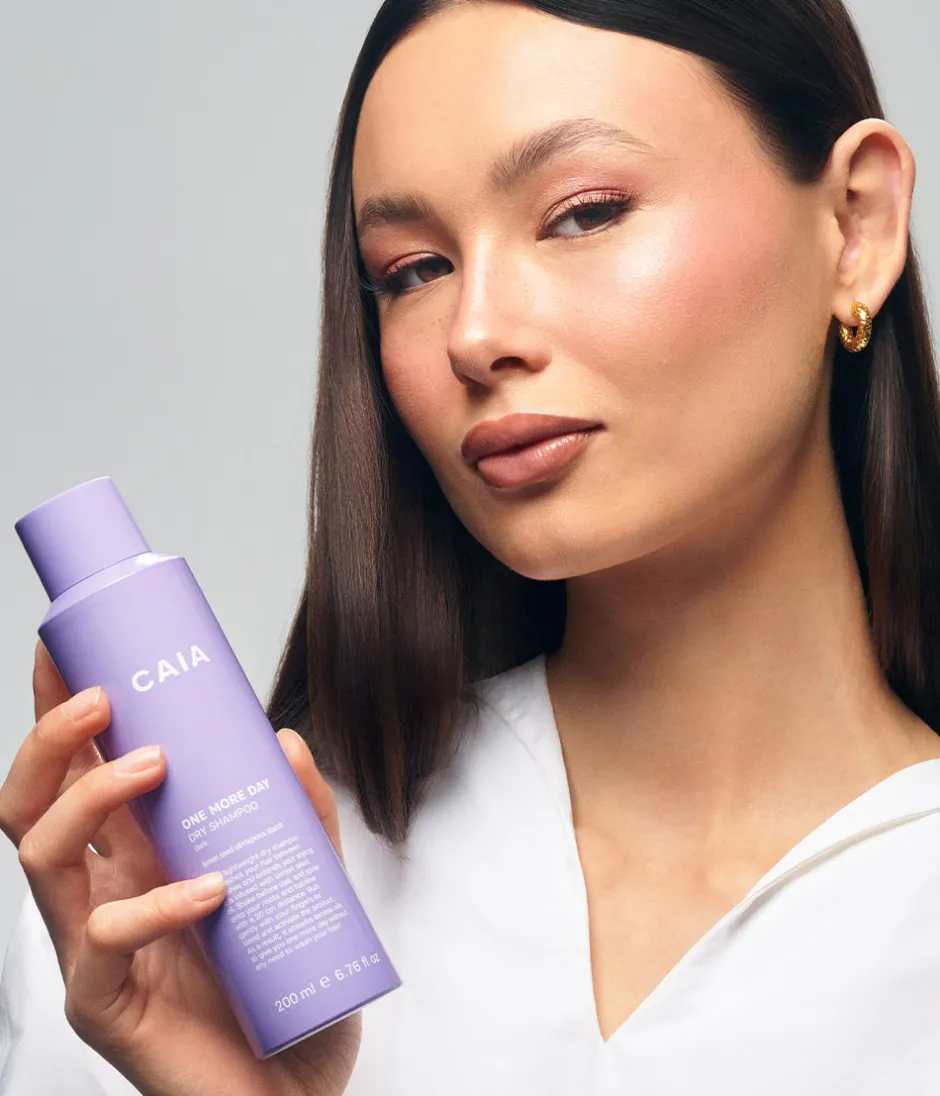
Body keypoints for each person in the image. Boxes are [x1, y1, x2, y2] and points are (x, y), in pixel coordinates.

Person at [4, 0, 940, 1092]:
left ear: (857, 225)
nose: (475, 334)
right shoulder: (179, 915)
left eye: (583, 215)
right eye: (412, 270)